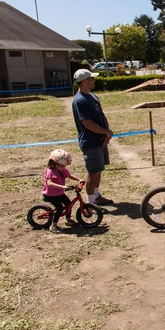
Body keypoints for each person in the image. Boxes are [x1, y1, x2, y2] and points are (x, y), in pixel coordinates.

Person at [71, 69, 114, 208]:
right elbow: (87, 123)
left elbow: (102, 115)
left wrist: (106, 133)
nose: (93, 81)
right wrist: (104, 132)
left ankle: (96, 196)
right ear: (84, 81)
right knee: (92, 172)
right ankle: (90, 203)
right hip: (90, 142)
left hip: (100, 140)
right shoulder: (79, 101)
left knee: (98, 169)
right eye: (92, 79)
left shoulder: (93, 97)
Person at [42, 149, 83, 234]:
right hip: (50, 195)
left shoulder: (62, 170)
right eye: (62, 165)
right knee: (60, 208)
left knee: (69, 204)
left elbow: (69, 175)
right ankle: (53, 225)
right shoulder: (50, 172)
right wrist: (63, 186)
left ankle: (68, 219)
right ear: (54, 163)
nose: (64, 167)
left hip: (59, 193)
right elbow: (49, 183)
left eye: (65, 165)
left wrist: (79, 179)